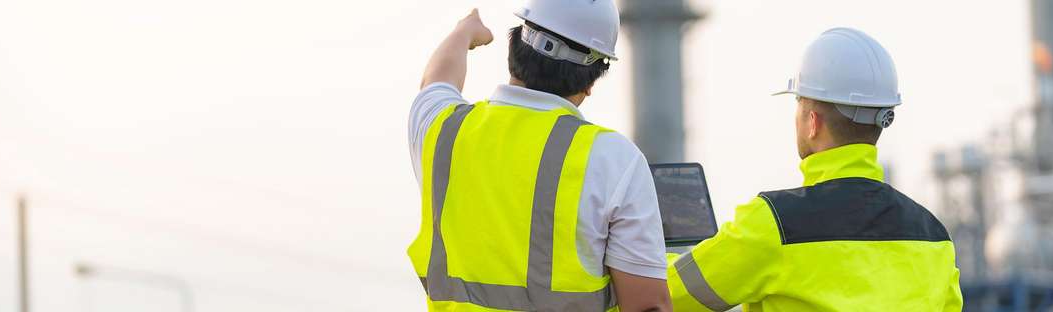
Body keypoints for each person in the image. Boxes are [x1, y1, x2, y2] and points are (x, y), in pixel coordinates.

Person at [664, 28, 962, 311]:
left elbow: (664, 295)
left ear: (813, 122)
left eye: (798, 104)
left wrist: (638, 256)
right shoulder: (934, 236)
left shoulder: (774, 224)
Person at [405, 1, 671, 311]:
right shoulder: (613, 159)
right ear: (590, 82)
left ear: (513, 49)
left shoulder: (442, 130)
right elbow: (647, 305)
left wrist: (464, 32)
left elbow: (435, 81)